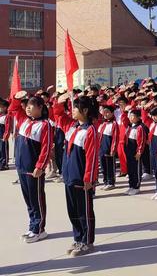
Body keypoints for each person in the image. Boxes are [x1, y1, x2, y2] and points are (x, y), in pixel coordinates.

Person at [53, 93, 99, 257]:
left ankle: (87, 241)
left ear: (85, 110)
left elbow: (92, 157)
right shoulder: (72, 127)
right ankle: (78, 238)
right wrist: (59, 102)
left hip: (81, 178)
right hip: (69, 175)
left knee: (84, 211)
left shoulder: (91, 130)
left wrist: (89, 178)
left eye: (75, 108)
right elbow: (57, 114)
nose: (72, 111)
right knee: (72, 210)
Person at [10, 91, 53, 243]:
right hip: (22, 167)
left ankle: (40, 229)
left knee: (37, 199)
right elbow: (13, 110)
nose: (28, 109)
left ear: (40, 107)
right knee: (28, 199)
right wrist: (17, 98)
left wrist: (40, 166)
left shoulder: (45, 125)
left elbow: (46, 148)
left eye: (32, 106)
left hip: (34, 169)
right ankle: (32, 225)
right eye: (27, 106)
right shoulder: (24, 120)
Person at [124, 109, 147, 195]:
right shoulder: (130, 126)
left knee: (136, 169)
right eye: (130, 116)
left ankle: (136, 186)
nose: (130, 117)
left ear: (138, 117)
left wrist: (139, 152)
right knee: (130, 169)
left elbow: (141, 141)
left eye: (133, 116)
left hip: (135, 151)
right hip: (129, 150)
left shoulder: (140, 127)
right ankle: (131, 185)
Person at [98, 103, 119, 190]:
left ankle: (111, 182)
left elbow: (115, 138)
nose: (105, 114)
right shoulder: (103, 124)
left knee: (110, 166)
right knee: (103, 166)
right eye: (104, 112)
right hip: (102, 148)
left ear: (112, 113)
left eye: (107, 112)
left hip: (109, 148)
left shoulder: (114, 124)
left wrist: (113, 149)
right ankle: (105, 181)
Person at [0, 98, 10, 170]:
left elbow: (8, 127)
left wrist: (6, 136)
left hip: (3, 135)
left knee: (4, 149)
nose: (0, 108)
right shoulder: (0, 115)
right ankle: (1, 163)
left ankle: (5, 164)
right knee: (0, 149)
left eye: (1, 107)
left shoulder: (7, 116)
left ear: (5, 108)